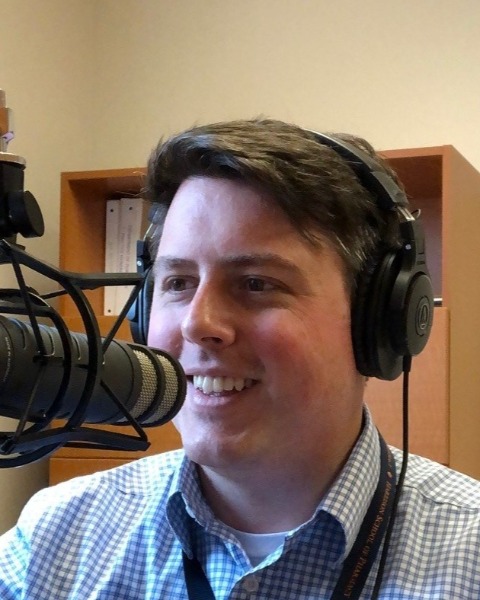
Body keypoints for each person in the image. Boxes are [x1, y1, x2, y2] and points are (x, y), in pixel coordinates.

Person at [0, 119, 479, 599]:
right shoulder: (56, 538)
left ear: (377, 320)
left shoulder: (469, 554)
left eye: (256, 283)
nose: (197, 324)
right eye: (178, 283)